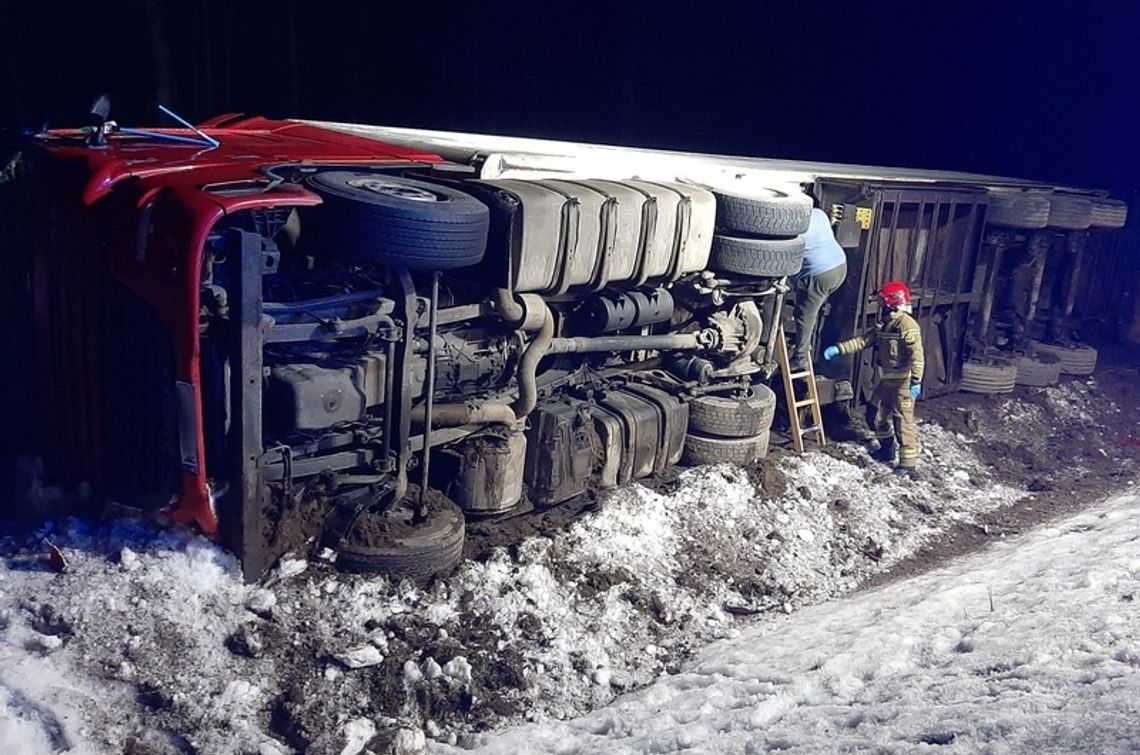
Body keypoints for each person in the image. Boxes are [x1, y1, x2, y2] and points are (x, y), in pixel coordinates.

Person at [823, 280, 924, 473]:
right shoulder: (886, 324)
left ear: (892, 302)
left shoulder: (907, 325)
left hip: (903, 381)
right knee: (874, 413)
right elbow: (864, 341)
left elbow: (917, 356)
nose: (879, 304)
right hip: (888, 379)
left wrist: (916, 380)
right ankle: (887, 449)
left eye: (882, 301)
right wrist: (839, 349)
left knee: (902, 421)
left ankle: (908, 464)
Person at [790, 206, 847, 372]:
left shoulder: (794, 228)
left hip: (819, 273)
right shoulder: (819, 214)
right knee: (813, 308)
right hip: (840, 266)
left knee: (805, 315)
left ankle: (800, 357)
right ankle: (806, 342)